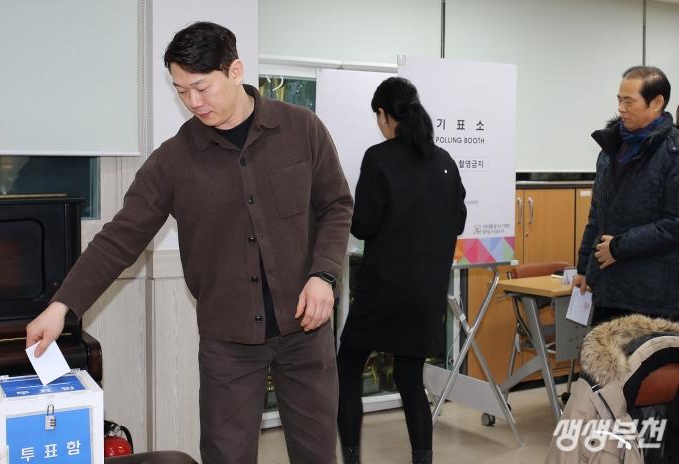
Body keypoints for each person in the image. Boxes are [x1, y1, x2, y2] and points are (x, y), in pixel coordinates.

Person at [25, 22, 353, 464]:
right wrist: (62, 305)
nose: (193, 102)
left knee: (316, 453)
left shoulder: (302, 129)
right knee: (225, 455)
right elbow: (120, 237)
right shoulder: (174, 160)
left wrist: (323, 275)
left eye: (201, 87)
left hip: (306, 331)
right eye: (181, 91)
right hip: (228, 341)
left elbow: (336, 205)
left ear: (235, 71)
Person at [336, 77, 467, 464]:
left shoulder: (379, 158)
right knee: (409, 378)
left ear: (383, 115)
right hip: (426, 293)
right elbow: (458, 220)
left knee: (347, 367)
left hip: (383, 290)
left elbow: (364, 225)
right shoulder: (444, 161)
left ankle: (351, 458)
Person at [574, 66, 679, 325]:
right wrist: (583, 268)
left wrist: (618, 248)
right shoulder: (611, 149)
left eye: (629, 101)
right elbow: (597, 215)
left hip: (653, 297)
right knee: (600, 351)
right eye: (619, 100)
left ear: (657, 103)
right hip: (608, 288)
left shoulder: (673, 153)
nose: (621, 108)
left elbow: (674, 224)